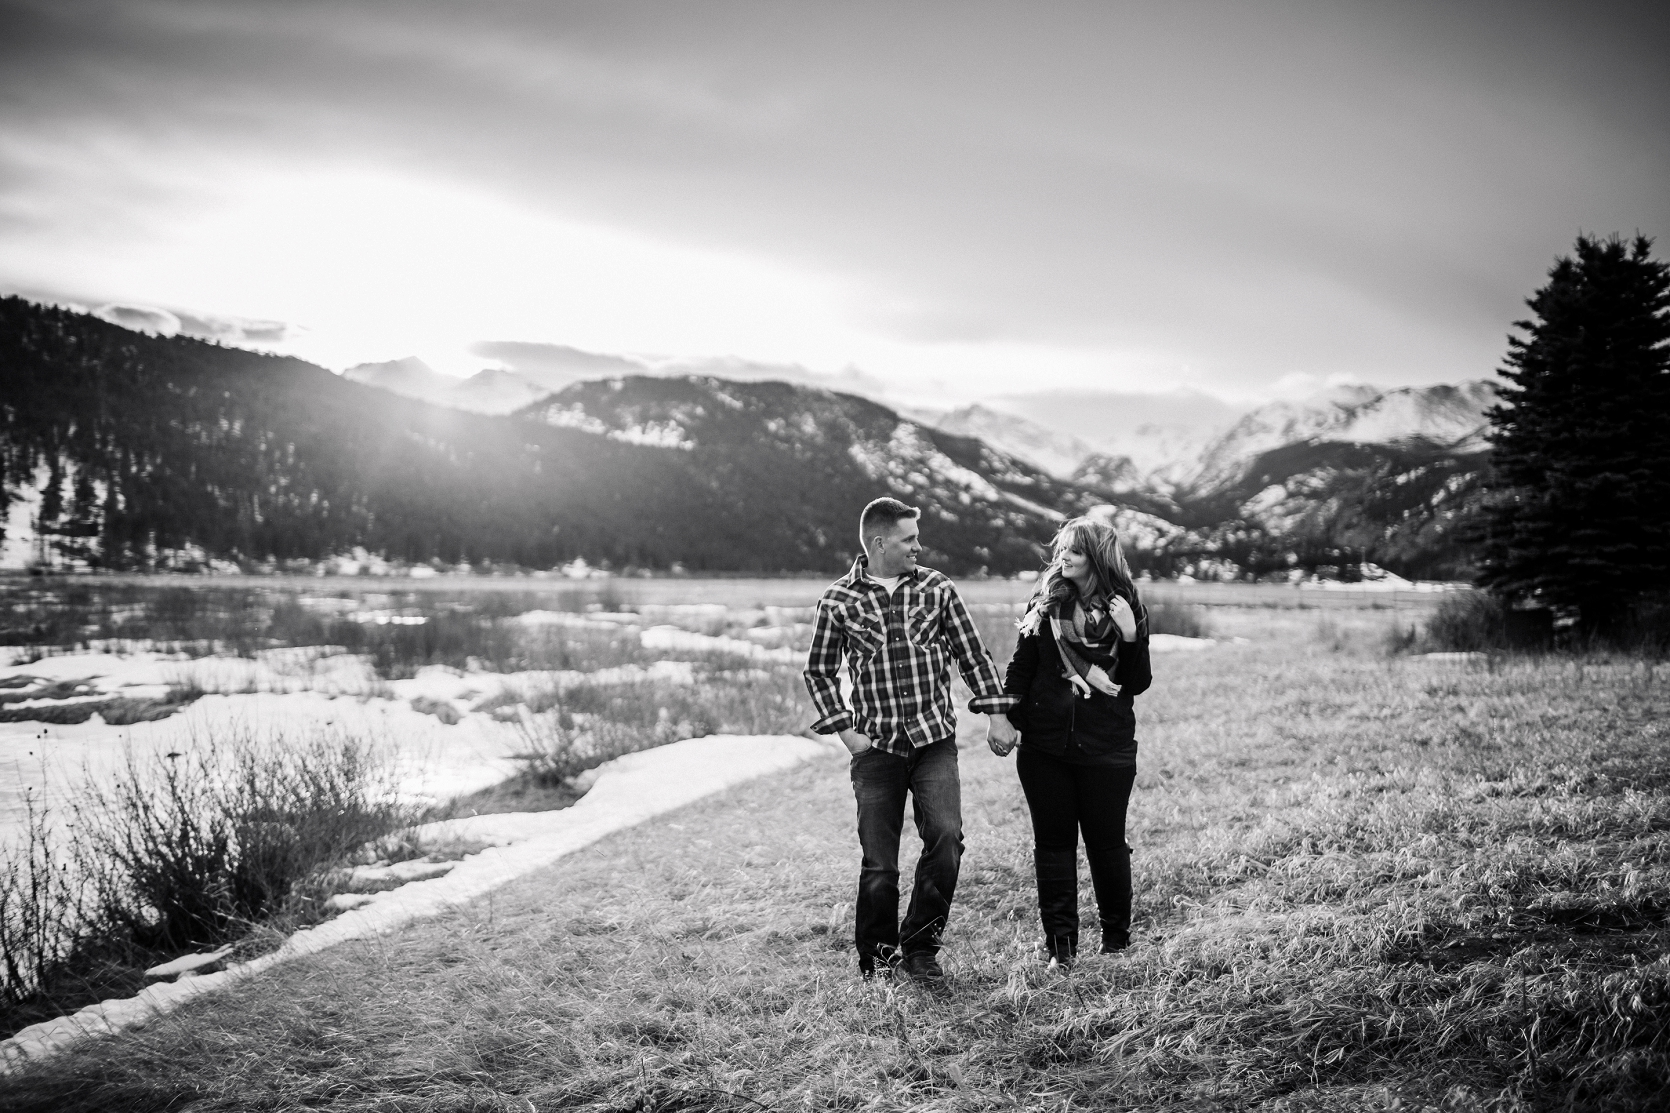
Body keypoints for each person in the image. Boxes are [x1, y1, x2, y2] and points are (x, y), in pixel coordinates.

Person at [804, 497, 1019, 991]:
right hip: (876, 749)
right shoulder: (838, 600)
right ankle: (878, 961)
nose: (919, 547)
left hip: (933, 741)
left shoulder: (937, 588)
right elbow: (818, 672)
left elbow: (972, 655)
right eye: (909, 539)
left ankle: (920, 949)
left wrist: (997, 715)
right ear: (880, 543)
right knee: (880, 864)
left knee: (946, 840)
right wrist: (847, 732)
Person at [992, 516, 1152, 968]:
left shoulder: (1127, 607)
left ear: (1096, 558)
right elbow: (1021, 666)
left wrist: (1130, 634)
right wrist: (1002, 715)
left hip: (1107, 747)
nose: (1062, 557)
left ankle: (1116, 943)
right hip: (1045, 747)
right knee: (1053, 846)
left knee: (1107, 845)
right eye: (1061, 549)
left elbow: (1137, 682)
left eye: (1073, 551)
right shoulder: (1044, 605)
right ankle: (1060, 950)